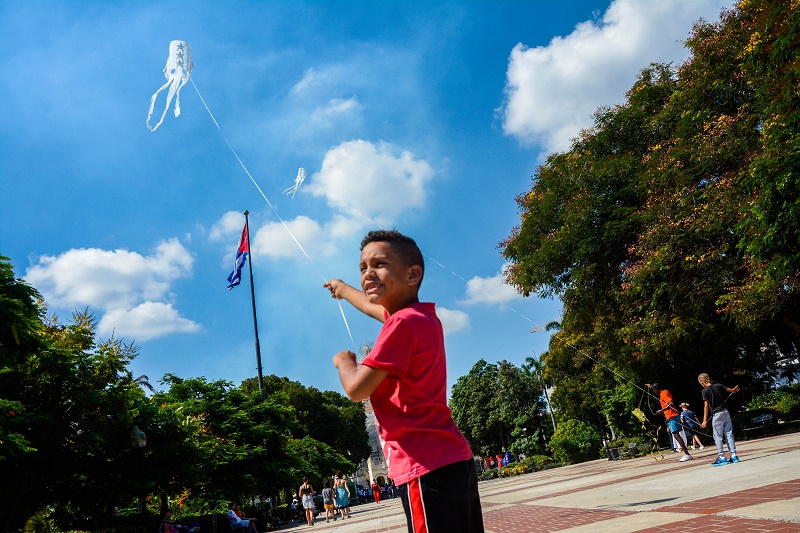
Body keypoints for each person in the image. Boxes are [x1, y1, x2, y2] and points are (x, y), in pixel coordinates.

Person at [326, 229, 484, 533]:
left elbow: (357, 389)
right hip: (451, 459)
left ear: (412, 274)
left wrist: (344, 362)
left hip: (424, 466)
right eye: (362, 267)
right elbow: (374, 308)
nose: (369, 272)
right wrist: (343, 289)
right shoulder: (421, 318)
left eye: (380, 264)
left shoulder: (399, 325)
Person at [699, 373, 741, 466]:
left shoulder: (705, 391)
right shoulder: (719, 385)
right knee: (729, 433)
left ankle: (721, 457)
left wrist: (704, 420)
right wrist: (736, 389)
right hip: (725, 412)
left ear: (702, 381)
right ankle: (733, 455)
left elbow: (706, 406)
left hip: (716, 414)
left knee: (717, 435)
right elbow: (733, 390)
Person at [646, 383, 692, 462]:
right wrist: (651, 387)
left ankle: (687, 454)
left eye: (654, 390)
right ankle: (686, 453)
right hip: (672, 416)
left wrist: (662, 410)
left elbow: (671, 403)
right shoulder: (664, 392)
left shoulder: (663, 394)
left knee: (676, 435)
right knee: (676, 435)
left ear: (656, 389)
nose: (655, 392)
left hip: (672, 416)